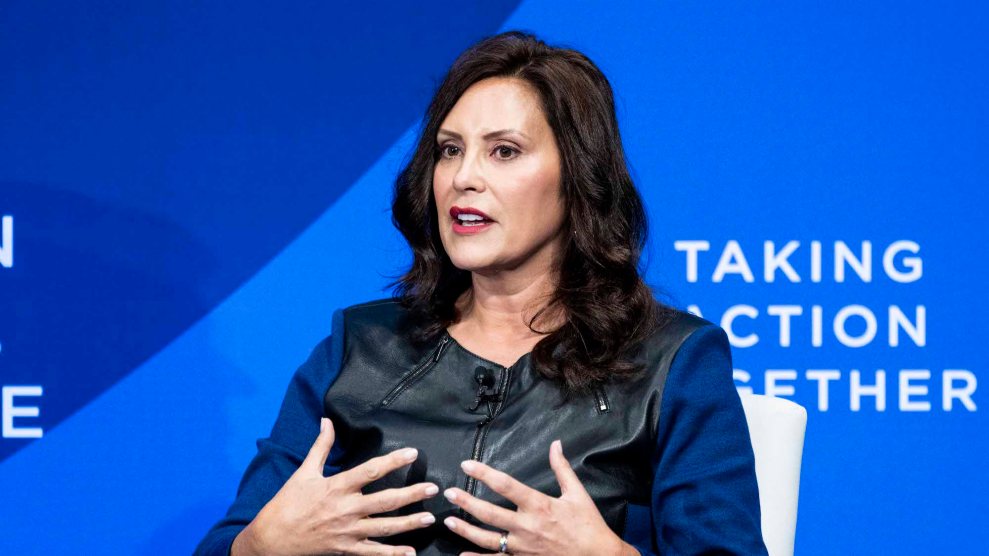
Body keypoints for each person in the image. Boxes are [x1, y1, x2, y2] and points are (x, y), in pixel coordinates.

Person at [195, 30, 768, 556]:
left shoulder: (672, 362)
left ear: (578, 179)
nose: (463, 177)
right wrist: (260, 547)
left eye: (504, 151)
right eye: (449, 149)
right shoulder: (359, 348)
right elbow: (229, 543)